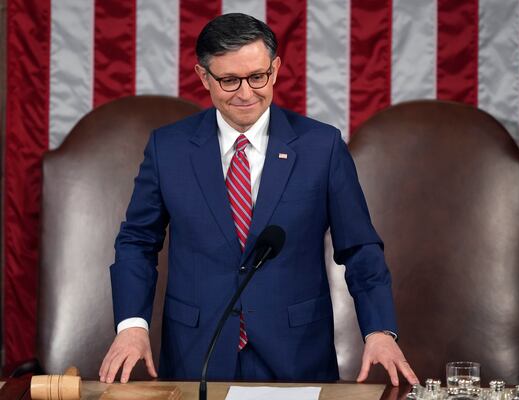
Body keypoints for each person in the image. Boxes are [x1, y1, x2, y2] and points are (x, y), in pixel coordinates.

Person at [99, 12, 418, 386]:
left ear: (276, 69)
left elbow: (360, 248)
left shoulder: (321, 147)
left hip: (296, 354)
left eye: (257, 77)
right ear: (204, 77)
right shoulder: (168, 148)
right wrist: (132, 325)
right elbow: (137, 242)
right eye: (230, 80)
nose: (246, 93)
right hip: (196, 353)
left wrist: (379, 329)